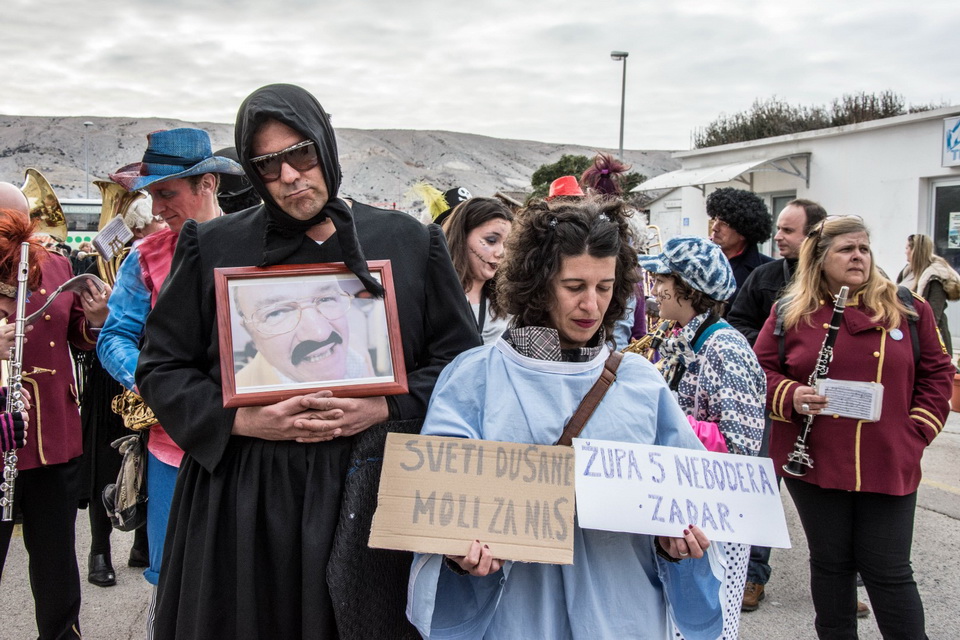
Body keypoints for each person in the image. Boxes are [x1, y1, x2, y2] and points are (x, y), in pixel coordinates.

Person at [135, 83, 480, 640]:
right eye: (269, 165)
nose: (290, 175)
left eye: (302, 153)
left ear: (325, 145)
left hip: (372, 495)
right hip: (247, 507)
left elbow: (462, 366)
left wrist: (383, 407)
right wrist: (242, 420)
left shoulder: (410, 242)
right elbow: (160, 367)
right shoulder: (213, 246)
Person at [407, 197, 725, 640]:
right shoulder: (474, 379)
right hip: (515, 618)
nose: (591, 306)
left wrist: (676, 546)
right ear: (537, 284)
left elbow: (688, 502)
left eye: (605, 287)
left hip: (622, 614)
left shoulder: (640, 383)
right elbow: (438, 509)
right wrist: (458, 555)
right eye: (574, 286)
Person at [754, 216, 954, 639]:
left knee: (889, 571)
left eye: (863, 248)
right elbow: (761, 372)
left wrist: (917, 430)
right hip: (817, 460)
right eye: (847, 249)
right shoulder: (791, 312)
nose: (858, 256)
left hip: (887, 458)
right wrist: (790, 394)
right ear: (820, 258)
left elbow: (937, 375)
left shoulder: (908, 308)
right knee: (831, 567)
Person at [96, 128, 244, 635]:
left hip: (251, 446)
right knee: (171, 579)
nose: (156, 208)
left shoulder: (257, 242)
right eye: (152, 195)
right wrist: (150, 383)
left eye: (167, 193)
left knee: (244, 578)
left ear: (208, 184)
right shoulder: (143, 257)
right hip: (170, 449)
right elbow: (114, 335)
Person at [639, 236, 764, 639]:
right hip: (684, 500)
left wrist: (665, 425)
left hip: (714, 516)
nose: (655, 289)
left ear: (689, 288)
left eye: (661, 279)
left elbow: (741, 447)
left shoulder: (725, 347)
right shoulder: (682, 336)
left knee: (710, 620)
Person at [0, 188, 110, 640]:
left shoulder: (58, 265)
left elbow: (76, 338)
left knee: (56, 558)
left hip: (53, 436)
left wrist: (97, 319)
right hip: (3, 434)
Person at [726, 197, 827, 612]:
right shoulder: (766, 277)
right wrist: (773, 353)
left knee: (830, 498)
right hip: (775, 404)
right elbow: (738, 321)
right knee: (764, 491)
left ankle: (844, 582)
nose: (779, 237)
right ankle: (752, 575)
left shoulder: (839, 285)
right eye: (779, 229)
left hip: (826, 409)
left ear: (814, 237)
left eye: (789, 230)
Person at [78, 195, 161, 589]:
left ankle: (142, 542)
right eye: (143, 232)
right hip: (114, 378)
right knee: (104, 459)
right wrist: (99, 322)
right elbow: (92, 333)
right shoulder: (121, 259)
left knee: (148, 455)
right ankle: (99, 550)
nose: (147, 238)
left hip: (154, 372)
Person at [233, 278, 375, 387]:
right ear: (250, 332)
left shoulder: (356, 350)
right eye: (276, 313)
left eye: (326, 299)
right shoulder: (240, 398)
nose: (320, 334)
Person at [441, 196, 514, 344]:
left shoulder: (510, 297)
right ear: (462, 236)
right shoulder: (433, 294)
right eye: (491, 240)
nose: (501, 252)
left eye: (507, 244)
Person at [706, 187, 774, 312]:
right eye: (715, 219)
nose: (715, 227)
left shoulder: (768, 271)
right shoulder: (700, 258)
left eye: (724, 223)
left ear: (744, 232)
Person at [897, 233, 960, 355]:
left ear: (915, 250)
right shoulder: (909, 272)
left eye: (907, 248)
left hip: (930, 343)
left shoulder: (935, 277)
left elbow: (933, 317)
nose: (905, 252)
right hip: (909, 336)